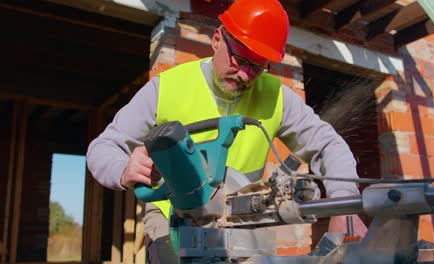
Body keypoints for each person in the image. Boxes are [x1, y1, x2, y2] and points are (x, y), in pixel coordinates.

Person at [86, 0, 367, 262]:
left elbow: (328, 144)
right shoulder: (166, 88)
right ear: (218, 39)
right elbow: (103, 148)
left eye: (258, 67)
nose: (246, 75)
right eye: (241, 60)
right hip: (174, 217)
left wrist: (344, 205)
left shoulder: (277, 97)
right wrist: (124, 168)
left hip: (241, 220)